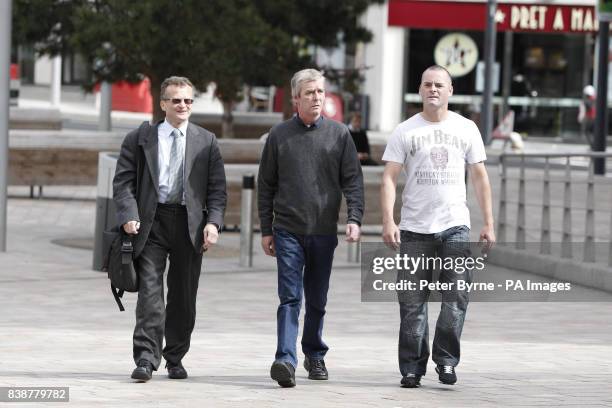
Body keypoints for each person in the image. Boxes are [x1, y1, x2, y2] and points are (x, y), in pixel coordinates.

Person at [380, 65, 495, 388]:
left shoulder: (466, 128)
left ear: (450, 91)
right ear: (420, 89)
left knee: (456, 296)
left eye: (439, 85)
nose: (433, 90)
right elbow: (388, 178)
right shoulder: (405, 130)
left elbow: (480, 177)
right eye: (428, 84)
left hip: (455, 226)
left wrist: (488, 222)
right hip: (415, 228)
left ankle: (445, 361)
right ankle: (412, 368)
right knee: (412, 301)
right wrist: (389, 220)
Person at [113, 76, 227, 382]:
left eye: (188, 100)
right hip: (151, 222)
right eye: (176, 100)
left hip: (190, 226)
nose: (183, 105)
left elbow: (217, 190)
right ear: (163, 103)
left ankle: (175, 357)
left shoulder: (207, 141)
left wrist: (214, 223)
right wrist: (129, 214)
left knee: (183, 295)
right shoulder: (141, 138)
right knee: (150, 293)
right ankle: (146, 358)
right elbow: (123, 183)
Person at [258, 68, 364, 388]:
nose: (317, 97)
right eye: (309, 93)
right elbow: (266, 185)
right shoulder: (279, 136)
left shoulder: (340, 134)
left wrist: (354, 218)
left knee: (317, 299)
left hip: (322, 231)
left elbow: (353, 181)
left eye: (320, 92)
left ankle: (314, 353)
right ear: (296, 99)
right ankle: (285, 359)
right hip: (287, 229)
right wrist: (266, 229)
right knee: (290, 297)